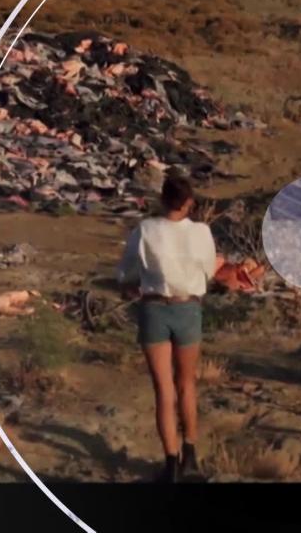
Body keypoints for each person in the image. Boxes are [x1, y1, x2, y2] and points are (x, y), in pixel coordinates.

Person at [118, 173, 217, 483]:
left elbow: (126, 272)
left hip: (154, 308)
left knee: (163, 389)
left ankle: (171, 462)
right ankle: (190, 454)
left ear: (162, 199)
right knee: (187, 384)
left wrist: (136, 283)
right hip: (187, 308)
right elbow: (209, 271)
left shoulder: (146, 229)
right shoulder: (201, 232)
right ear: (189, 203)